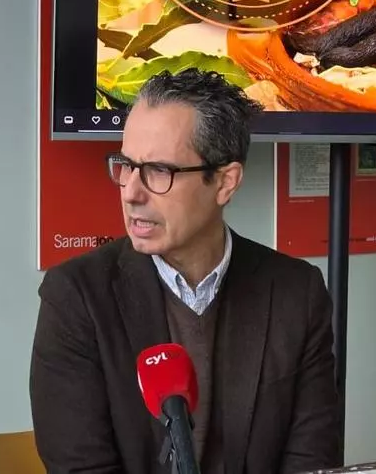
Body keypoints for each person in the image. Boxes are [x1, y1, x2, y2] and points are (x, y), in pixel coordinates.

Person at [29, 69, 343, 474]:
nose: (131, 192)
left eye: (159, 171)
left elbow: (313, 461)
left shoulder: (295, 293)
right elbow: (80, 467)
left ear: (225, 182)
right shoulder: (77, 297)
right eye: (126, 165)